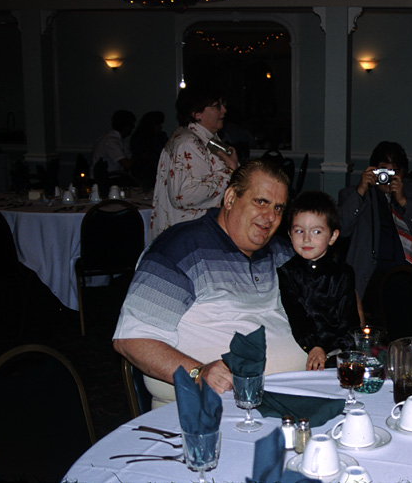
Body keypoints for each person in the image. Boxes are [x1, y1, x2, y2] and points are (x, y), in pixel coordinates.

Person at [113, 159, 306, 408]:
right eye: (261, 202)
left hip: (296, 399)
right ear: (230, 198)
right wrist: (198, 372)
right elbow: (131, 340)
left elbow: (334, 287)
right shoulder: (181, 249)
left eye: (279, 208)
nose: (270, 216)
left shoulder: (281, 252)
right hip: (210, 408)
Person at [338, 141, 412, 315]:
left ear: (403, 172)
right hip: (377, 274)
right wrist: (360, 191)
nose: (387, 177)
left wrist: (404, 202)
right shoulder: (356, 194)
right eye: (383, 170)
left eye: (393, 171)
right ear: (373, 170)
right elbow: (342, 228)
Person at [277, 191, 362, 371]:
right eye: (299, 231)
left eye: (316, 231)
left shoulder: (343, 272)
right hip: (304, 347)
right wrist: (313, 345)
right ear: (290, 235)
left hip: (339, 352)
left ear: (332, 236)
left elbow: (349, 319)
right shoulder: (287, 273)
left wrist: (338, 350)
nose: (306, 238)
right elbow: (297, 315)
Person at [149, 85, 239, 241]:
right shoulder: (188, 143)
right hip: (190, 236)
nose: (224, 110)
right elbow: (185, 195)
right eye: (217, 106)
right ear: (197, 113)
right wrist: (230, 171)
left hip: (197, 232)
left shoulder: (204, 139)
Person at [90, 109, 136, 176]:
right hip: (102, 181)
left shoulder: (119, 140)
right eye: (132, 126)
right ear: (126, 126)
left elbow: (130, 157)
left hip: (109, 179)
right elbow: (127, 164)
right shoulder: (111, 142)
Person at [130, 111, 168, 190]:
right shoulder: (139, 138)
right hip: (143, 172)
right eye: (158, 124)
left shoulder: (161, 137)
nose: (160, 127)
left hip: (159, 171)